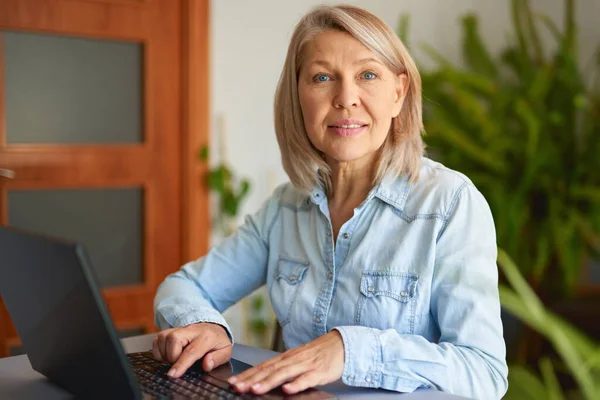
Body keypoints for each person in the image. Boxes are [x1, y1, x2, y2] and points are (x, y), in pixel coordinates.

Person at [152, 4, 509, 399]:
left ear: (398, 93)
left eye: (368, 75)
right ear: (299, 96)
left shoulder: (450, 203)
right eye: (322, 77)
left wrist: (351, 350)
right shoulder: (286, 207)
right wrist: (207, 325)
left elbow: (484, 373)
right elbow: (184, 287)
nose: (346, 98)